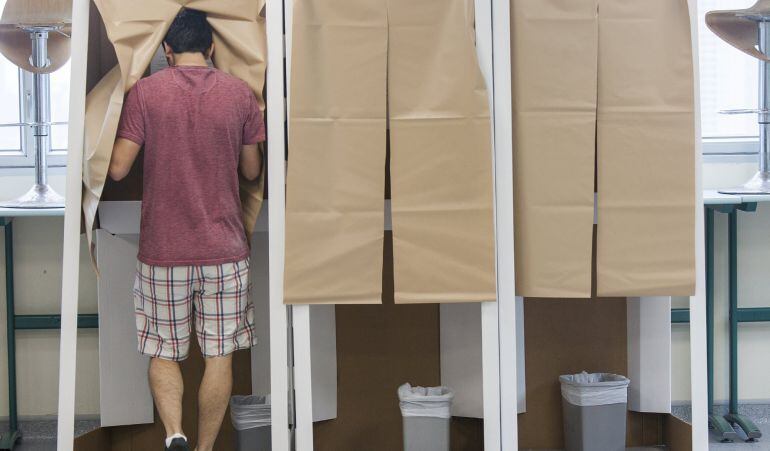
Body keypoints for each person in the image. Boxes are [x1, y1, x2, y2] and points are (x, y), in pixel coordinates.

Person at [108, 8, 264, 451]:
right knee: (219, 356)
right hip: (225, 250)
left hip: (163, 252)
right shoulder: (240, 95)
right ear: (212, 48)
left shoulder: (146, 94)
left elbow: (117, 169)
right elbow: (251, 171)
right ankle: (204, 449)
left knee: (163, 351)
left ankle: (174, 433)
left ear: (166, 50)